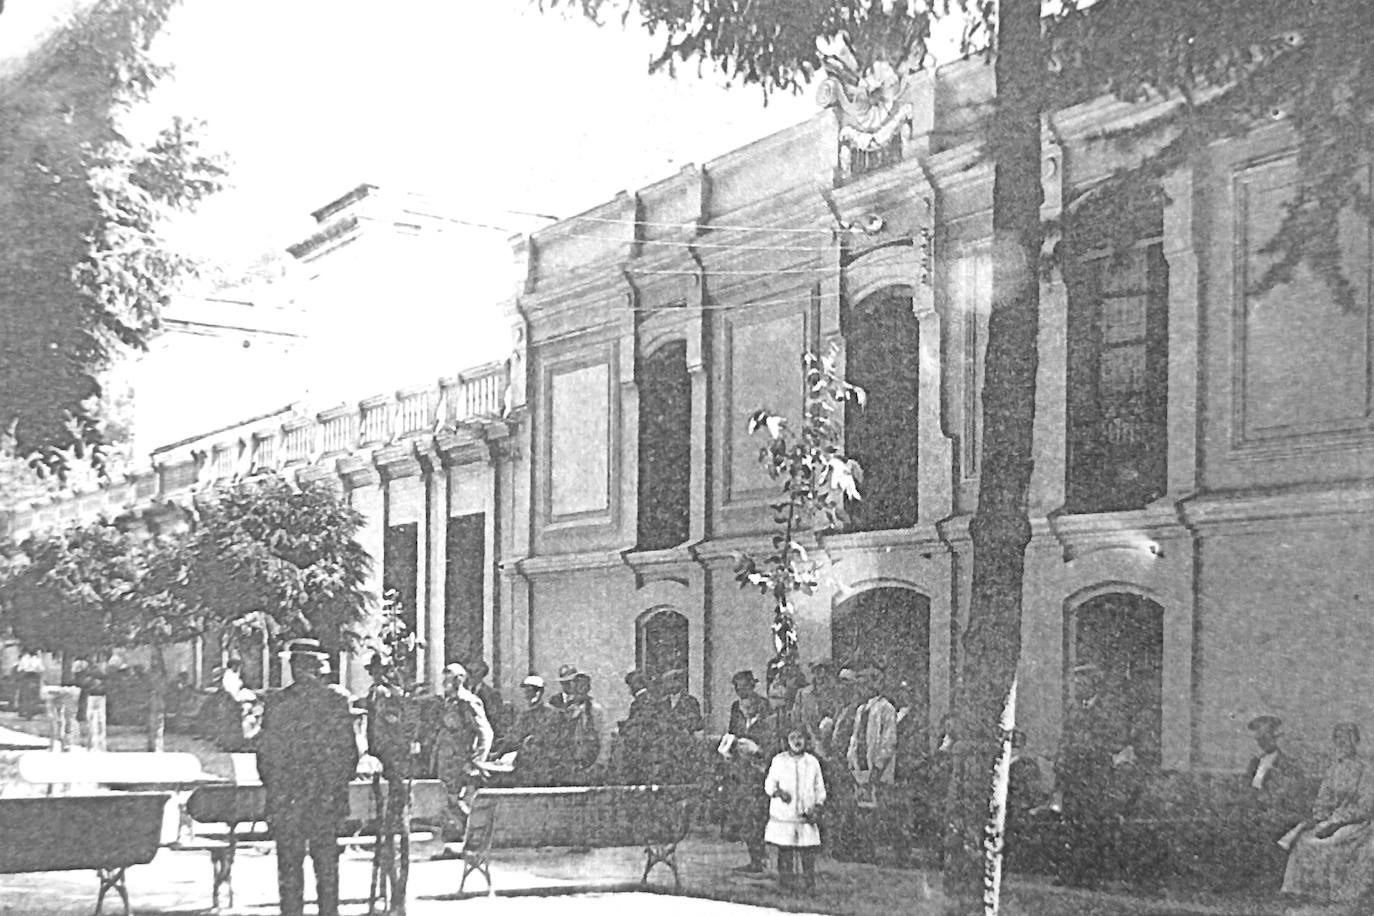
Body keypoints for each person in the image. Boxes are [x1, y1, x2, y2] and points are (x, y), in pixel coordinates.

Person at [255, 638, 359, 916]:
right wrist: (334, 786)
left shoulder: (277, 702)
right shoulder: (336, 700)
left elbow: (264, 757)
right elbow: (350, 757)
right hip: (325, 800)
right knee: (326, 868)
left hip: (287, 800)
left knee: (289, 870)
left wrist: (277, 790)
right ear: (318, 667)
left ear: (294, 666)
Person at [1280, 722, 1374, 903]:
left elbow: (1365, 806)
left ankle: (1332, 894)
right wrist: (1318, 818)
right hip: (1332, 820)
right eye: (1338, 737)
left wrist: (1336, 822)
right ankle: (1300, 891)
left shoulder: (1367, 770)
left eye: (1348, 737)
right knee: (1303, 839)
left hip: (1357, 823)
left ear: (1357, 741)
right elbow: (1323, 799)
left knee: (1333, 841)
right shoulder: (1333, 769)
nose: (1343, 742)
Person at [431, 663, 494, 838]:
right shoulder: (449, 701)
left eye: (448, 678)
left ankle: (471, 842)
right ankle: (453, 842)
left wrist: (477, 763)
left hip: (461, 763)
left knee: (461, 804)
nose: (444, 682)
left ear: (459, 680)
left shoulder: (468, 702)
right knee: (450, 803)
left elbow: (486, 734)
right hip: (447, 762)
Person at [846, 663, 898, 864]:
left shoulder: (886, 708)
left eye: (865, 684)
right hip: (861, 766)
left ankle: (882, 849)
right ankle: (864, 848)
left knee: (878, 808)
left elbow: (889, 740)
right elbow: (856, 737)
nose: (861, 688)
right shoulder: (862, 709)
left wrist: (878, 765)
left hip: (876, 767)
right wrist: (852, 759)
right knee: (862, 809)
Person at [765, 727, 827, 894]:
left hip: (806, 814)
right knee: (785, 851)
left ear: (806, 740)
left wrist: (817, 806)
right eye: (793, 737)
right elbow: (769, 785)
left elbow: (819, 787)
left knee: (807, 852)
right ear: (787, 740)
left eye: (800, 737)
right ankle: (786, 885)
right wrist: (779, 793)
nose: (797, 741)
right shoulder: (779, 760)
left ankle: (809, 885)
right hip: (785, 815)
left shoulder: (812, 762)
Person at [496, 674, 558, 784]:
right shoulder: (524, 714)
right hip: (525, 763)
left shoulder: (551, 713)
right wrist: (499, 753)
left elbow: (549, 738)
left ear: (541, 692)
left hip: (544, 763)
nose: (530, 695)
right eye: (527, 691)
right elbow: (514, 736)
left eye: (533, 691)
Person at [465, 659, 509, 742]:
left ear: (483, 674)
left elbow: (495, 719)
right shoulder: (461, 692)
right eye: (469, 671)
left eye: (476, 671)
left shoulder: (492, 694)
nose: (472, 675)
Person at [657, 668, 704, 735]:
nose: (670, 685)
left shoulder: (690, 701)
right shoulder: (662, 703)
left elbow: (695, 723)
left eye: (672, 681)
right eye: (667, 682)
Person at [16, 647, 44, 719]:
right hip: (26, 676)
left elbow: (41, 669)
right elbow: (19, 669)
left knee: (33, 695)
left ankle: (30, 712)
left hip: (34, 676)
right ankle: (24, 711)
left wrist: (36, 670)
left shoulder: (37, 659)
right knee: (25, 695)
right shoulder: (24, 658)